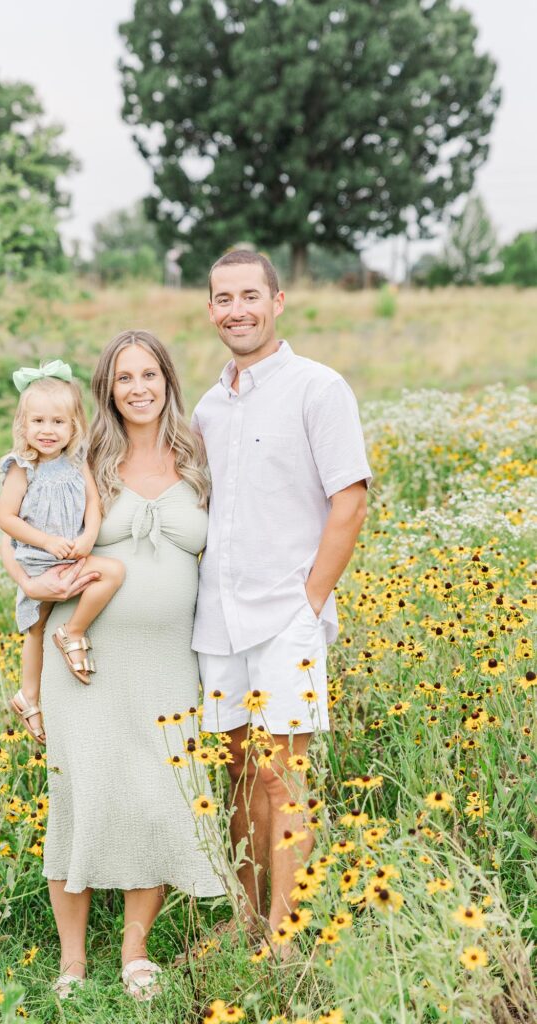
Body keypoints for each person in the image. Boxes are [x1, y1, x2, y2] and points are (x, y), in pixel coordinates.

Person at [0, 333, 223, 1002]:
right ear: (106, 387)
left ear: (166, 379)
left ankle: (135, 953)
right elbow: (22, 531)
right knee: (82, 800)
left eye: (148, 373)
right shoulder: (84, 455)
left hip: (168, 666)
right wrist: (31, 588)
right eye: (123, 376)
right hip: (87, 662)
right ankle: (71, 963)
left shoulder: (199, 456)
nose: (137, 387)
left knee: (154, 801)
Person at [192, 250, 372, 939]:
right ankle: (245, 917)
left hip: (285, 615)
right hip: (219, 617)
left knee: (281, 777)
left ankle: (286, 932)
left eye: (249, 295)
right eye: (222, 298)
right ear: (210, 310)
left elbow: (348, 502)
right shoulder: (209, 406)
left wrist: (309, 602)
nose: (236, 309)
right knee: (235, 775)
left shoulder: (317, 388)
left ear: (278, 301)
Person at [0, 360, 125, 743]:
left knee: (113, 572)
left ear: (74, 427)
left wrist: (87, 539)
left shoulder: (76, 461)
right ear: (23, 426)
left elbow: (92, 503)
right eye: (38, 422)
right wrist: (46, 541)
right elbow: (6, 519)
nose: (47, 431)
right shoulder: (22, 467)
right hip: (39, 561)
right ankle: (29, 696)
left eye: (57, 422)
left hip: (72, 555)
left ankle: (73, 630)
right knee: (34, 630)